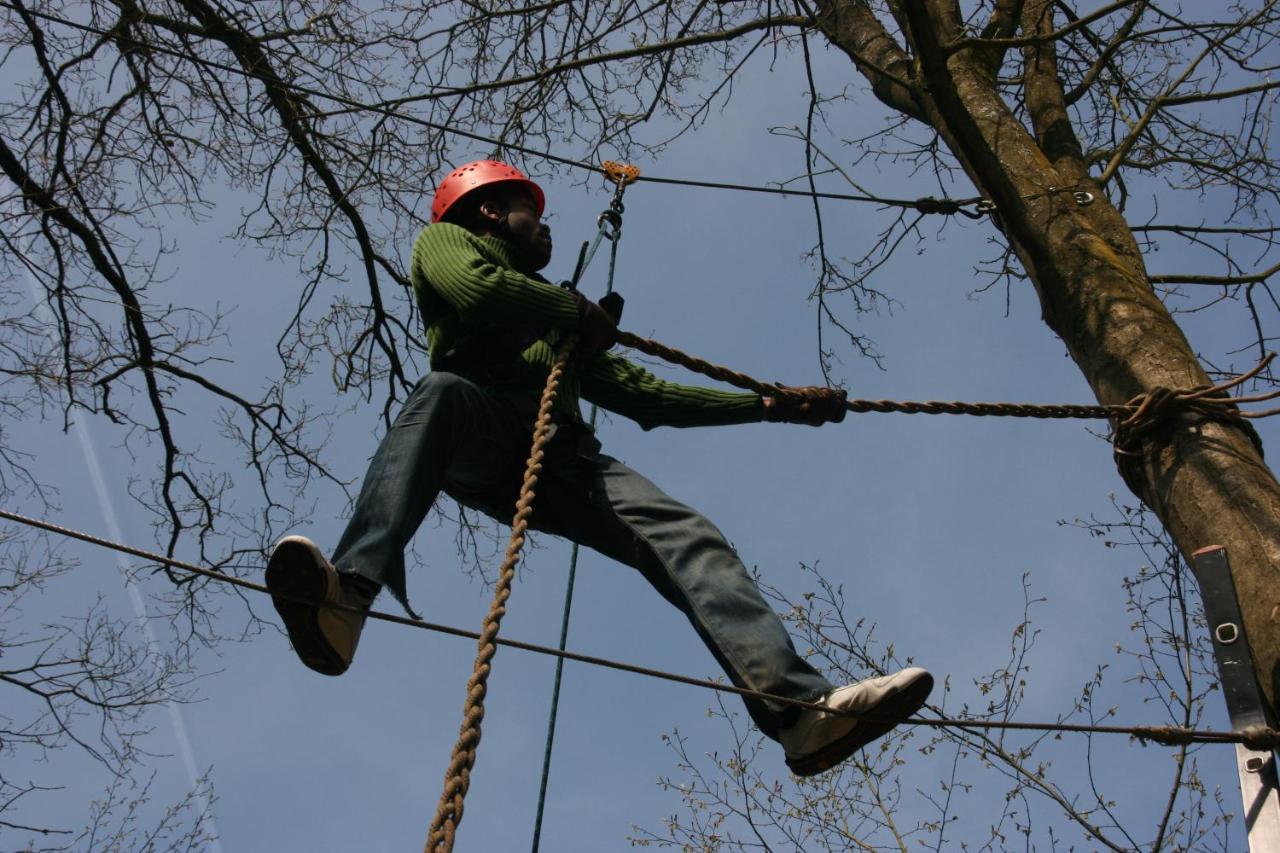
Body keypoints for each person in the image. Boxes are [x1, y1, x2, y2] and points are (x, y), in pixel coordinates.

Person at [265, 159, 932, 776]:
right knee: (439, 394)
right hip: (481, 429)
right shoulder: (447, 242)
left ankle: (800, 712)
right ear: (489, 211)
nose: (546, 223)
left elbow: (651, 397)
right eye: (531, 209)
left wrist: (766, 406)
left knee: (687, 535)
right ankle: (346, 598)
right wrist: (570, 311)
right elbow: (474, 290)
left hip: (566, 459)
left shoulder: (561, 329)